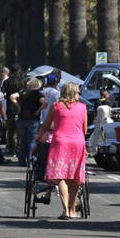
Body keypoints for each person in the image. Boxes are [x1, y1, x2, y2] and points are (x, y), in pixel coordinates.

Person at [36, 81, 87, 219]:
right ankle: (73, 210)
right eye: (77, 92)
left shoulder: (56, 106)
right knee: (75, 176)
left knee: (61, 176)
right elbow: (84, 129)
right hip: (77, 143)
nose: (79, 94)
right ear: (73, 92)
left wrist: (38, 137)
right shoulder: (82, 107)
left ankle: (65, 210)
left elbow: (46, 126)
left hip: (60, 143)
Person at [10, 77, 46, 167]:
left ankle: (21, 161)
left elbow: (12, 96)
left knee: (23, 141)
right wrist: (38, 110)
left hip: (22, 118)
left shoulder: (23, 92)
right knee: (31, 141)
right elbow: (45, 103)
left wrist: (18, 107)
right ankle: (30, 160)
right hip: (33, 119)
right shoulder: (38, 95)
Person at [3, 64, 25, 155]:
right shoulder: (24, 81)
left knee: (11, 130)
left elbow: (2, 93)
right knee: (21, 130)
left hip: (10, 108)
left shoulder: (7, 81)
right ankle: (20, 148)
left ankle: (11, 148)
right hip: (22, 108)